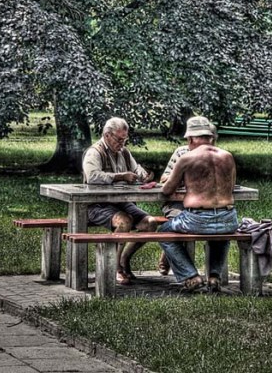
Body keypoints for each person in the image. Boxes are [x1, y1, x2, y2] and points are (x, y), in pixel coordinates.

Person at [158, 116, 238, 292]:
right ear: (211, 137)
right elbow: (231, 187)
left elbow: (166, 190)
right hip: (229, 218)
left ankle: (190, 275)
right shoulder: (228, 156)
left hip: (197, 219)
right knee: (221, 234)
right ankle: (214, 276)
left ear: (190, 138)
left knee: (163, 232)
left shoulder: (186, 158)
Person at [82, 117, 157, 285]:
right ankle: (114, 268)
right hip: (97, 204)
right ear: (107, 135)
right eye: (119, 139)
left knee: (150, 223)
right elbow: (92, 176)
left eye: (125, 139)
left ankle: (123, 260)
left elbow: (136, 168)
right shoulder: (95, 152)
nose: (122, 143)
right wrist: (120, 176)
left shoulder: (124, 152)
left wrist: (144, 176)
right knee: (124, 221)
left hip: (121, 202)